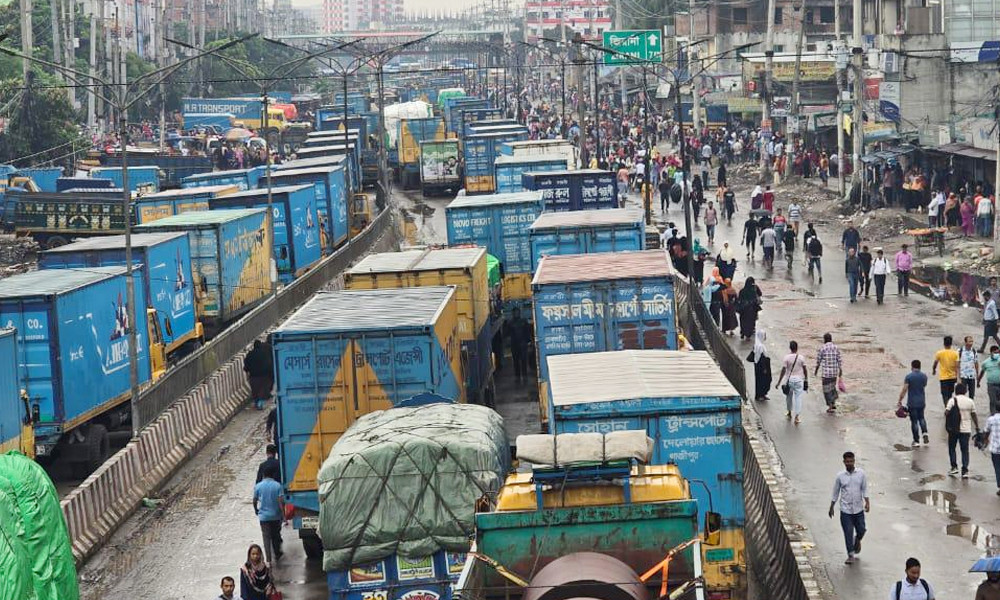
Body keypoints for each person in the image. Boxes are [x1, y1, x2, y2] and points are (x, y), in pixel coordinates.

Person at [829, 451, 868, 565]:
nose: (849, 463)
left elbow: (864, 489)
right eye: (847, 461)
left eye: (851, 461)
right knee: (848, 532)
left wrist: (867, 502)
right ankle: (850, 554)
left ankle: (857, 540)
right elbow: (835, 492)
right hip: (845, 510)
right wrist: (832, 506)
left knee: (862, 529)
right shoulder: (840, 476)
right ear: (844, 462)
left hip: (858, 509)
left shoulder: (861, 474)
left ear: (854, 461)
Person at [945, 382, 980, 477]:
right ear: (965, 391)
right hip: (966, 429)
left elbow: (946, 412)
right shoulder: (970, 401)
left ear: (956, 391)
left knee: (952, 448)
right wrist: (977, 427)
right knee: (964, 450)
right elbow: (974, 415)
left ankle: (954, 467)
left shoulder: (952, 400)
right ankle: (965, 470)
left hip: (954, 429)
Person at [252, 464, 285, 563]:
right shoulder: (278, 485)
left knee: (266, 538)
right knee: (275, 535)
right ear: (272, 475)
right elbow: (280, 501)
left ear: (263, 475)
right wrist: (283, 514)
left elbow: (254, 500)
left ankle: (268, 560)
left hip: (264, 517)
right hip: (276, 516)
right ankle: (277, 553)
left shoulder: (258, 486)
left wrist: (256, 510)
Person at [898, 360, 930, 446]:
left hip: (912, 402)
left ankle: (916, 441)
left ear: (912, 366)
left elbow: (905, 389)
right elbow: (924, 385)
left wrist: (900, 399)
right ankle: (925, 432)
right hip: (922, 401)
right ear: (920, 366)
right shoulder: (924, 376)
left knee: (914, 421)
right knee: (922, 418)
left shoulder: (909, 377)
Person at [776, 340, 808, 424]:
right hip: (798, 380)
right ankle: (797, 417)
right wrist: (806, 379)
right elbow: (805, 369)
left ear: (790, 348)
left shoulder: (786, 357)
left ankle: (789, 412)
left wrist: (779, 382)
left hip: (789, 380)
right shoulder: (801, 357)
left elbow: (783, 370)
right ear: (797, 348)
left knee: (788, 397)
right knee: (798, 398)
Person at [816, 333, 844, 413]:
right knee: (832, 388)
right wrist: (840, 370)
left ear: (825, 339)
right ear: (831, 339)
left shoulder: (822, 348)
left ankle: (830, 405)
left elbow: (818, 361)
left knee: (826, 390)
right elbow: (839, 360)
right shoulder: (836, 347)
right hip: (834, 373)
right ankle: (833, 402)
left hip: (826, 374)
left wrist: (816, 370)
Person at [243, 339, 274, 410]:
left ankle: (257, 403)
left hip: (253, 377)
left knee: (255, 392)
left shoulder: (250, 354)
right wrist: (271, 374)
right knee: (263, 391)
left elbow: (246, 366)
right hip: (264, 376)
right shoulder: (264, 354)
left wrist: (247, 370)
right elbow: (269, 364)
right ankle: (260, 403)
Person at [506, 307, 532, 383]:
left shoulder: (523, 321)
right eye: (515, 312)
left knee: (523, 361)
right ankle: (518, 376)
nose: (516, 314)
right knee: (516, 361)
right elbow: (507, 334)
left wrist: (529, 341)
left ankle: (524, 376)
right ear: (513, 314)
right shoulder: (510, 323)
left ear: (519, 313)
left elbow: (527, 332)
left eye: (517, 312)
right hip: (515, 345)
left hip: (522, 344)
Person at [932, 335, 959, 405]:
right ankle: (949, 406)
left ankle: (947, 408)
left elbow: (935, 363)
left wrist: (934, 370)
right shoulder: (955, 353)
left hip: (943, 377)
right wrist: (957, 376)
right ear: (951, 343)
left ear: (944, 343)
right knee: (950, 394)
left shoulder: (939, 353)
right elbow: (957, 366)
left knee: (944, 394)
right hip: (952, 377)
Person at [749, 329, 772, 402]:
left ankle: (762, 394)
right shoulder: (760, 346)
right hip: (761, 366)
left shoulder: (758, 344)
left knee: (762, 380)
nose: (765, 337)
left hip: (758, 365)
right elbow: (762, 357)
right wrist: (764, 368)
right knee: (762, 381)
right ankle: (760, 395)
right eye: (764, 335)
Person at [981, 346, 1000, 415]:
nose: (997, 354)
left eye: (998, 352)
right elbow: (982, 371)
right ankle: (993, 416)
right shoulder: (986, 362)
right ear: (991, 353)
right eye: (995, 353)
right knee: (992, 400)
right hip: (991, 385)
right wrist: (979, 380)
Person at [960, 335, 981, 399]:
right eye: (969, 341)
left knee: (972, 394)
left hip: (972, 376)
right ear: (965, 342)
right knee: (962, 393)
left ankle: (970, 407)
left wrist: (977, 375)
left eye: (972, 341)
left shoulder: (974, 351)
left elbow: (976, 363)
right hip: (963, 376)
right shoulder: (960, 351)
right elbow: (957, 364)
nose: (971, 343)